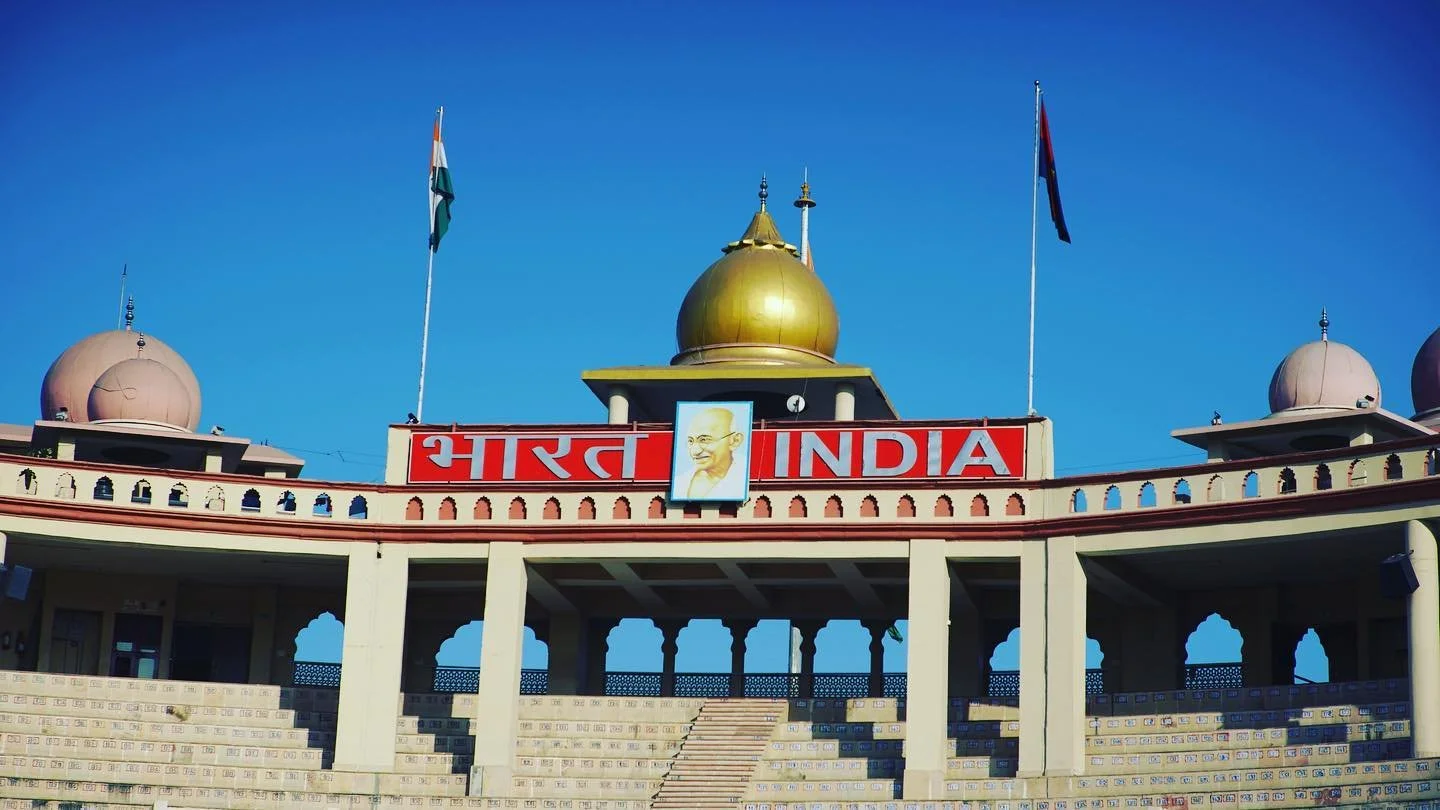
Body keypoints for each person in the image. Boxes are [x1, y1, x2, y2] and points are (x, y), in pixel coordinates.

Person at [681, 406, 747, 499]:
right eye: (691, 441)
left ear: (735, 441)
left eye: (704, 440)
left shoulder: (745, 476)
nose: (695, 451)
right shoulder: (680, 483)